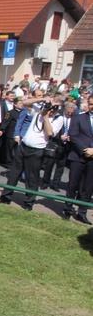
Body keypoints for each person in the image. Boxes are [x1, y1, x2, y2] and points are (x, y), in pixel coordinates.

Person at [0, 92, 62, 211]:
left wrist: (46, 116)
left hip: (37, 150)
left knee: (32, 178)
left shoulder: (58, 118)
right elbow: (25, 103)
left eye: (55, 107)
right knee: (14, 173)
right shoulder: (39, 110)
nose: (52, 109)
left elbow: (50, 133)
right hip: (24, 146)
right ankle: (5, 197)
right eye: (52, 105)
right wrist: (42, 99)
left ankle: (28, 203)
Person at [63, 94, 93, 224]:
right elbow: (73, 135)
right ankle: (68, 210)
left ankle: (82, 213)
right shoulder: (79, 118)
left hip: (92, 159)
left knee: (88, 187)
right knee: (72, 184)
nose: (92, 106)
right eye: (91, 103)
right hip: (78, 156)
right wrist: (85, 149)